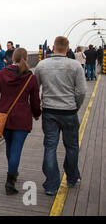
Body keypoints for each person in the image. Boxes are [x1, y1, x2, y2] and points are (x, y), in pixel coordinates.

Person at [0, 48, 41, 195]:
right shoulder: (30, 77)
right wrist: (36, 114)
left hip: (4, 116)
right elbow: (35, 100)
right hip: (22, 118)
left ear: (12, 58)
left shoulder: (3, 74)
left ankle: (12, 172)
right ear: (26, 59)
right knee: (16, 149)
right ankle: (10, 181)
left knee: (10, 146)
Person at [35, 36, 87, 196]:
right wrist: (75, 106)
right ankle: (71, 177)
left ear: (53, 47)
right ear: (67, 48)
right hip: (69, 111)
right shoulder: (75, 66)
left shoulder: (41, 65)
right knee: (71, 146)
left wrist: (40, 106)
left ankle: (51, 185)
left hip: (50, 111)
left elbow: (35, 89)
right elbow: (82, 91)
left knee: (50, 146)